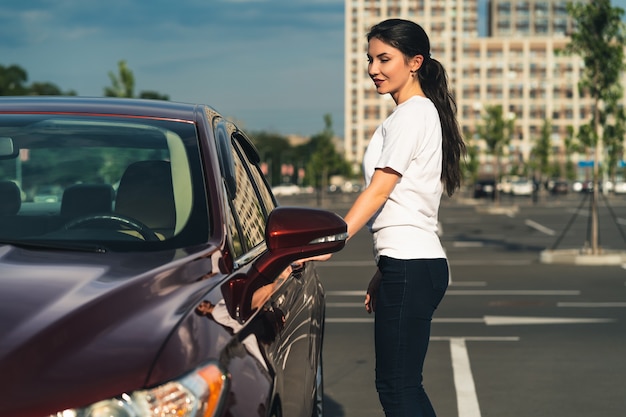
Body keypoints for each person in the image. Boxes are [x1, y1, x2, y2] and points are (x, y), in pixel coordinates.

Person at [303, 18, 465, 417]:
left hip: (412, 265)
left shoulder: (413, 113)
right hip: (408, 262)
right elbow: (410, 206)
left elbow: (380, 189)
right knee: (400, 385)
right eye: (370, 58)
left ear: (415, 62)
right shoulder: (409, 115)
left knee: (397, 387)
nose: (373, 68)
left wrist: (332, 241)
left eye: (384, 58)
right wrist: (384, 267)